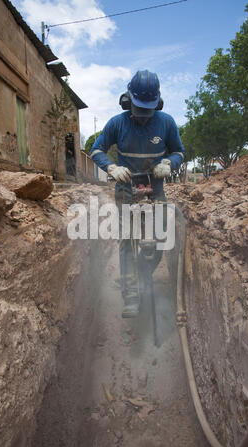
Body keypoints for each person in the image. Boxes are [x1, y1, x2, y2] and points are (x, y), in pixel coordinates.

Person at [90, 70, 185, 318]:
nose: (143, 117)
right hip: (126, 189)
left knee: (161, 239)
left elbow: (178, 151)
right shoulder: (116, 123)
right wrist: (111, 167)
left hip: (156, 188)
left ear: (157, 104)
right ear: (127, 100)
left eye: (148, 111)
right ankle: (131, 295)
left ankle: (143, 270)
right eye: (138, 109)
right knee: (128, 242)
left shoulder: (166, 123)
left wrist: (169, 164)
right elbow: (96, 149)